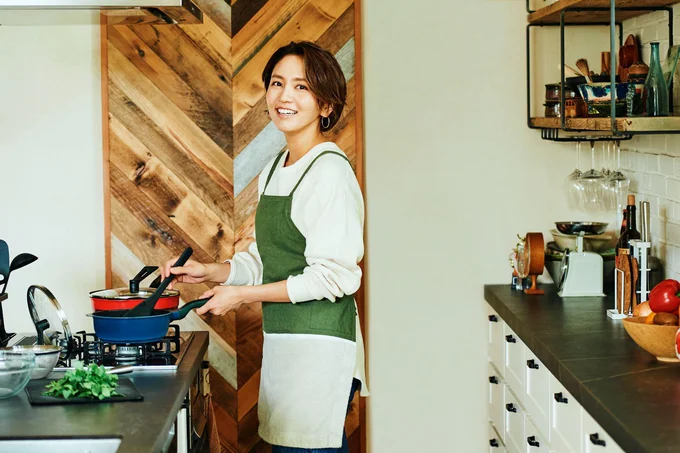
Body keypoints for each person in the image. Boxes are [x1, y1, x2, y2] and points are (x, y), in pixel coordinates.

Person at [160, 41, 368, 453]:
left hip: (321, 348)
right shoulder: (275, 168)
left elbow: (336, 275)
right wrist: (213, 271)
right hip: (285, 345)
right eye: (276, 83)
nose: (284, 96)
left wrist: (240, 297)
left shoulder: (329, 172)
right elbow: (267, 259)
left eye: (301, 87)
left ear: (326, 106)